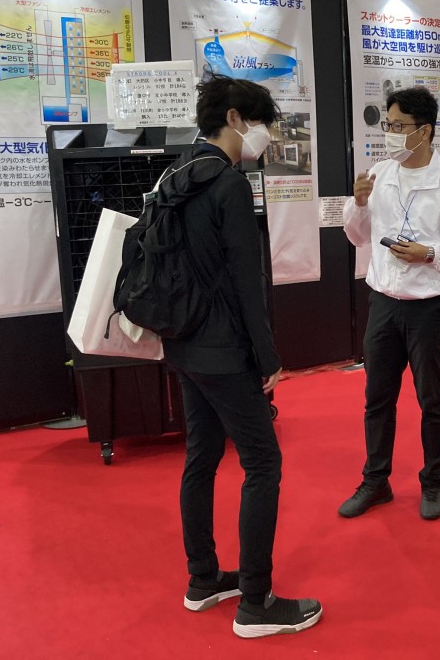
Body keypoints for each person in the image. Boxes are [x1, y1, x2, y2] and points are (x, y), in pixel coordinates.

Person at [165, 74, 321, 638]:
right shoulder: (228, 185)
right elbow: (246, 282)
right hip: (224, 348)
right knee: (263, 463)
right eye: (260, 123)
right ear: (234, 119)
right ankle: (256, 601)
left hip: (182, 341)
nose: (265, 135)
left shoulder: (177, 173)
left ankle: (203, 578)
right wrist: (267, 356)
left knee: (201, 456)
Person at [339, 86, 440, 521]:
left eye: (398, 125)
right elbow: (358, 236)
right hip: (383, 303)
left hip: (429, 308)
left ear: (424, 131)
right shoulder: (380, 174)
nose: (389, 133)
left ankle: (433, 480)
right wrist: (359, 203)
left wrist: (430, 253)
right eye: (388, 124)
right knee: (377, 398)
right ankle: (376, 480)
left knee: (432, 400)